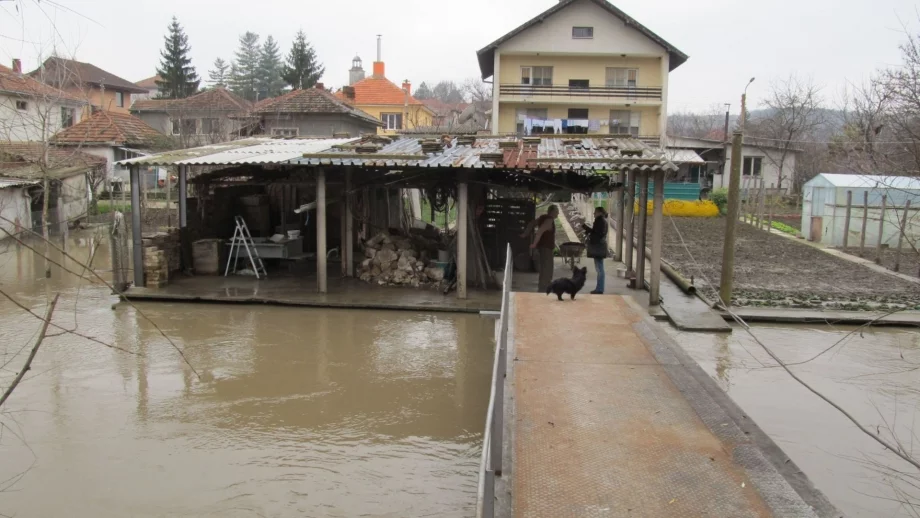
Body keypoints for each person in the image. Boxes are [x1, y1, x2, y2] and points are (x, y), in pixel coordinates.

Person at [521, 205, 559, 292]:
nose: (558, 213)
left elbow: (531, 224)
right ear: (552, 212)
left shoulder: (542, 218)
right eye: (557, 211)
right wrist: (534, 244)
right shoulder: (549, 220)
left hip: (543, 248)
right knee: (547, 270)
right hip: (546, 248)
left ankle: (543, 288)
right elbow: (540, 231)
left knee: (544, 269)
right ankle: (544, 289)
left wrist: (525, 234)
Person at [583, 206, 608, 294]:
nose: (594, 213)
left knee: (599, 269)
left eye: (595, 212)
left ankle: (600, 289)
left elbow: (597, 233)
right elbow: (597, 232)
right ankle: (599, 288)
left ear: (600, 213)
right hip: (600, 246)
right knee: (599, 268)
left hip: (598, 247)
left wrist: (586, 229)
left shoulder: (600, 221)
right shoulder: (603, 221)